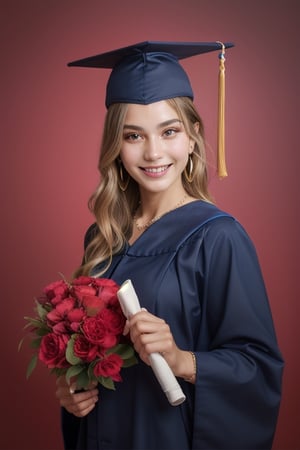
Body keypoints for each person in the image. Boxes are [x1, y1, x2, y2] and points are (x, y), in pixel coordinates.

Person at [56, 41, 284, 450]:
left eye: (170, 131)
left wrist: (182, 360)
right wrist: (74, 390)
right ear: (115, 145)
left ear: (194, 136)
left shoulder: (218, 237)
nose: (153, 152)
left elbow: (258, 368)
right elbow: (90, 357)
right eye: (133, 135)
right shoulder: (103, 237)